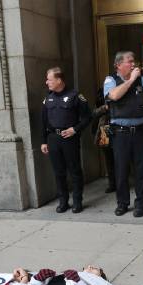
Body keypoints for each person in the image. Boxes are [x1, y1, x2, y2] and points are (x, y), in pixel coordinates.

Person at [104, 51, 143, 218]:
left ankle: (141, 204)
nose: (133, 64)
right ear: (118, 65)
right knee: (121, 170)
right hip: (120, 134)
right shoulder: (110, 81)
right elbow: (114, 96)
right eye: (129, 62)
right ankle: (122, 204)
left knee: (141, 170)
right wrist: (130, 80)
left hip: (140, 133)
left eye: (133, 61)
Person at [41, 67, 92, 214]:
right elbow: (43, 121)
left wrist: (74, 129)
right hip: (53, 139)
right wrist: (44, 141)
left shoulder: (75, 96)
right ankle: (63, 201)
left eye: (49, 79)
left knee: (74, 171)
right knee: (59, 172)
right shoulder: (48, 98)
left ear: (59, 80)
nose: (47, 82)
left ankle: (77, 201)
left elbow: (87, 117)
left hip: (69, 139)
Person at [91, 87, 115, 193]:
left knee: (120, 158)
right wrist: (105, 108)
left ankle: (121, 182)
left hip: (119, 129)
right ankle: (112, 184)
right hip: (105, 130)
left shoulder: (118, 91)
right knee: (108, 158)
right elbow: (94, 113)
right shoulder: (101, 93)